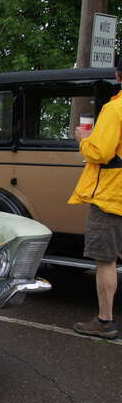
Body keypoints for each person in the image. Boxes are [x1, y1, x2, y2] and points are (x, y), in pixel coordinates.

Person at [69, 61, 122, 340]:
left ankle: (104, 321)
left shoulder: (114, 109)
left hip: (112, 198)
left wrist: (84, 139)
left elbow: (100, 153)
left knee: (106, 260)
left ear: (117, 76)